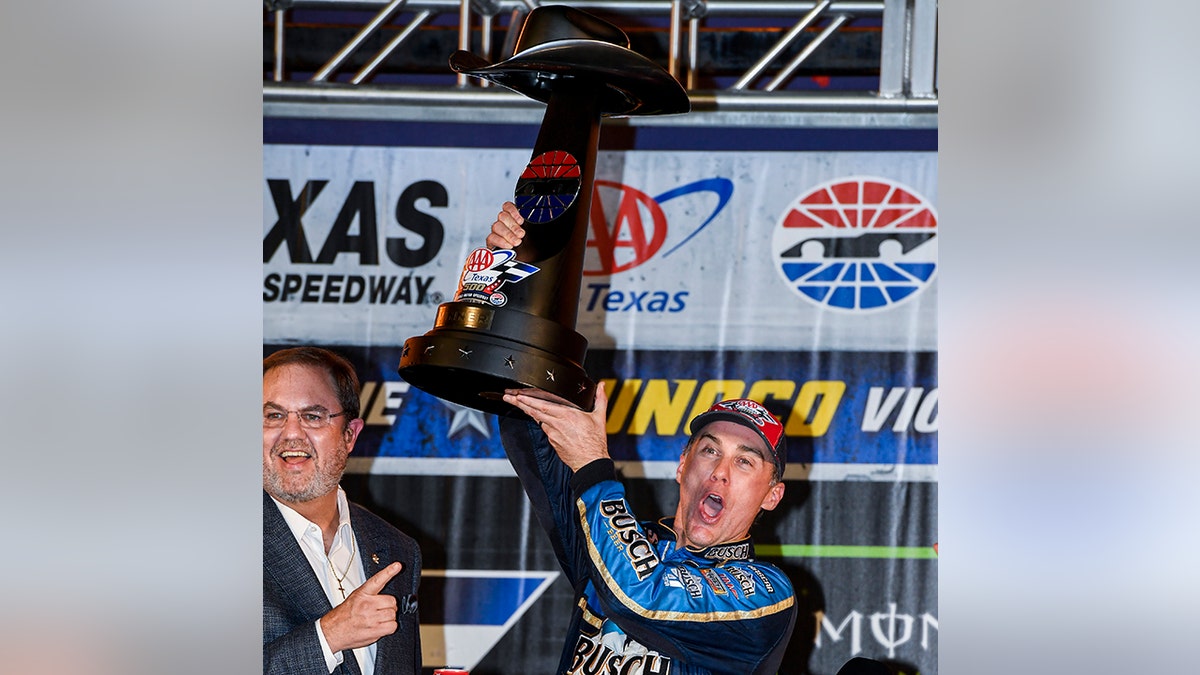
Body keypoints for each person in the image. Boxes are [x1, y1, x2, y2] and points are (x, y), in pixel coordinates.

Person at [488, 203, 798, 674]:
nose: (719, 471)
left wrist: (594, 466)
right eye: (710, 449)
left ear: (771, 496)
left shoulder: (766, 595)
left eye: (745, 462)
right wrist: (511, 279)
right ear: (682, 464)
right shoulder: (618, 538)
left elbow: (642, 597)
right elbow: (528, 419)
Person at [263, 346, 422, 675]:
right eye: (273, 416)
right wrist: (329, 636)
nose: (291, 433)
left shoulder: (396, 549)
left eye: (313, 416)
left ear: (350, 435)